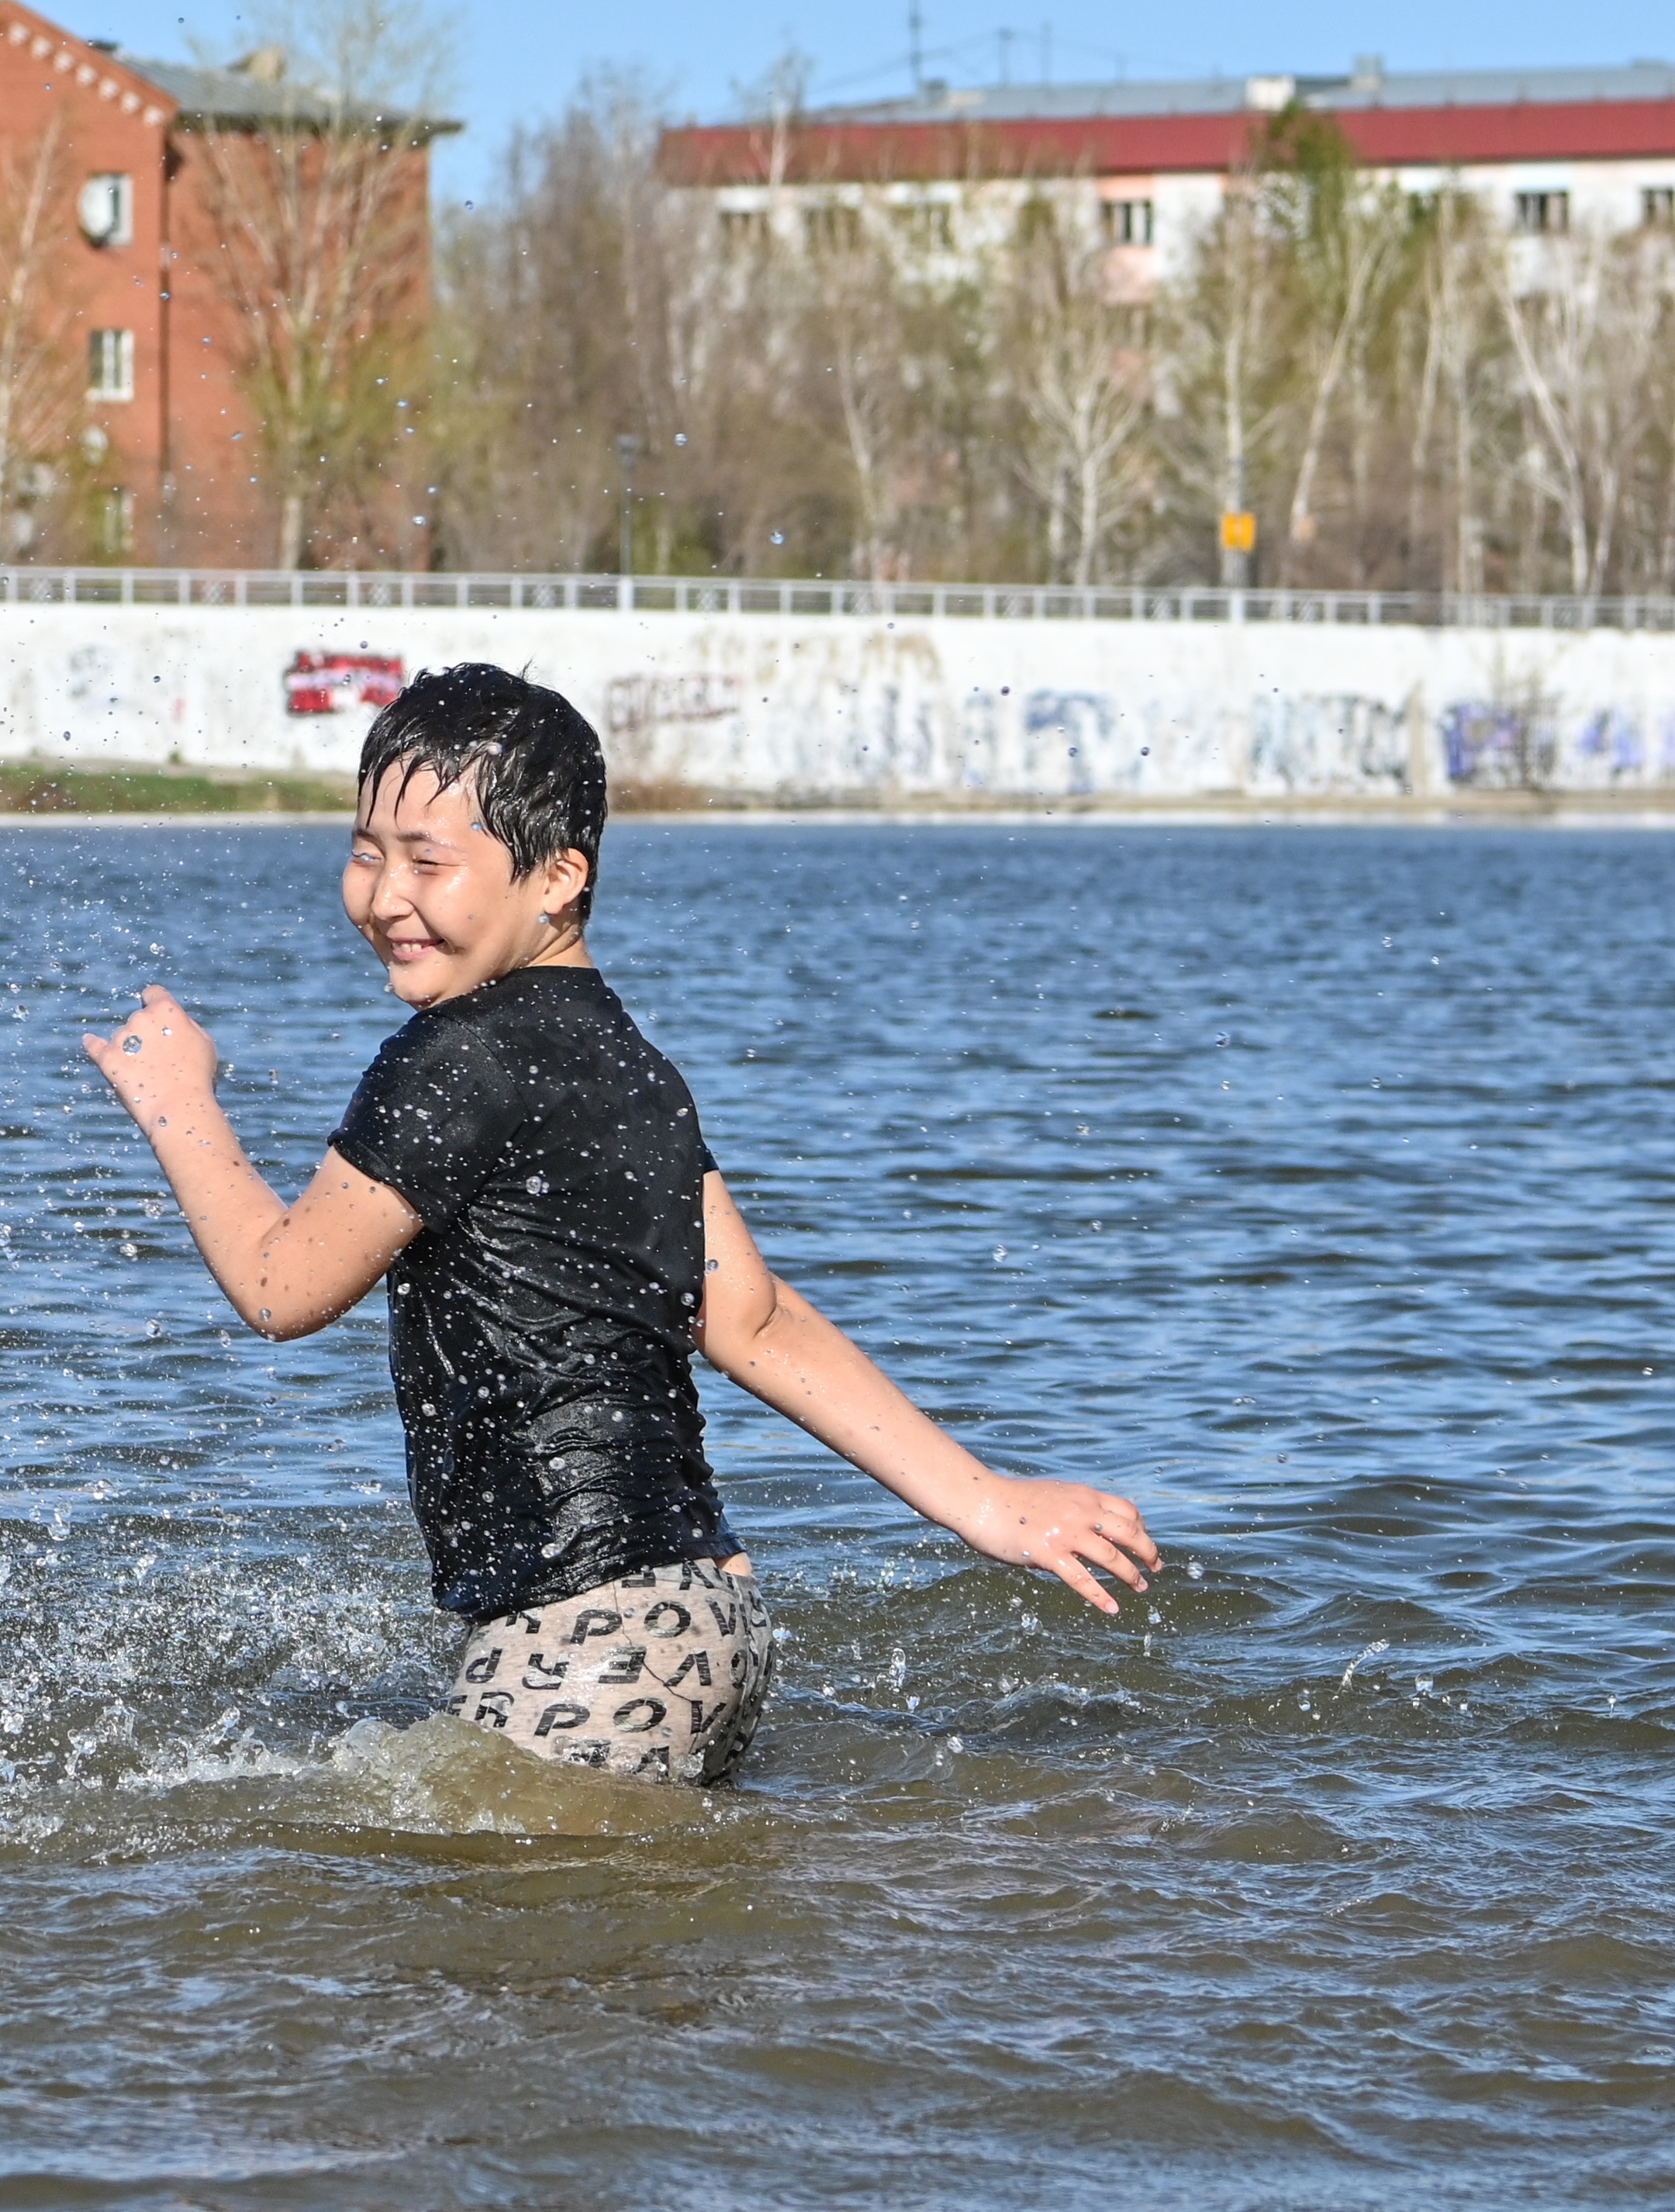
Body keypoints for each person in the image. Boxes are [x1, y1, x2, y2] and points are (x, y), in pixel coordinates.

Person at [81, 665, 1151, 1783]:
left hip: (585, 1640)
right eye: (365, 849)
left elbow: (278, 1285)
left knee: (479, 1947)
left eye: (427, 861)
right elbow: (756, 1320)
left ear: (556, 876)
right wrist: (985, 1502)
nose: (384, 895)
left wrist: (178, 1107)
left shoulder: (451, 1062)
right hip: (706, 1615)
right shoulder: (634, 1065)